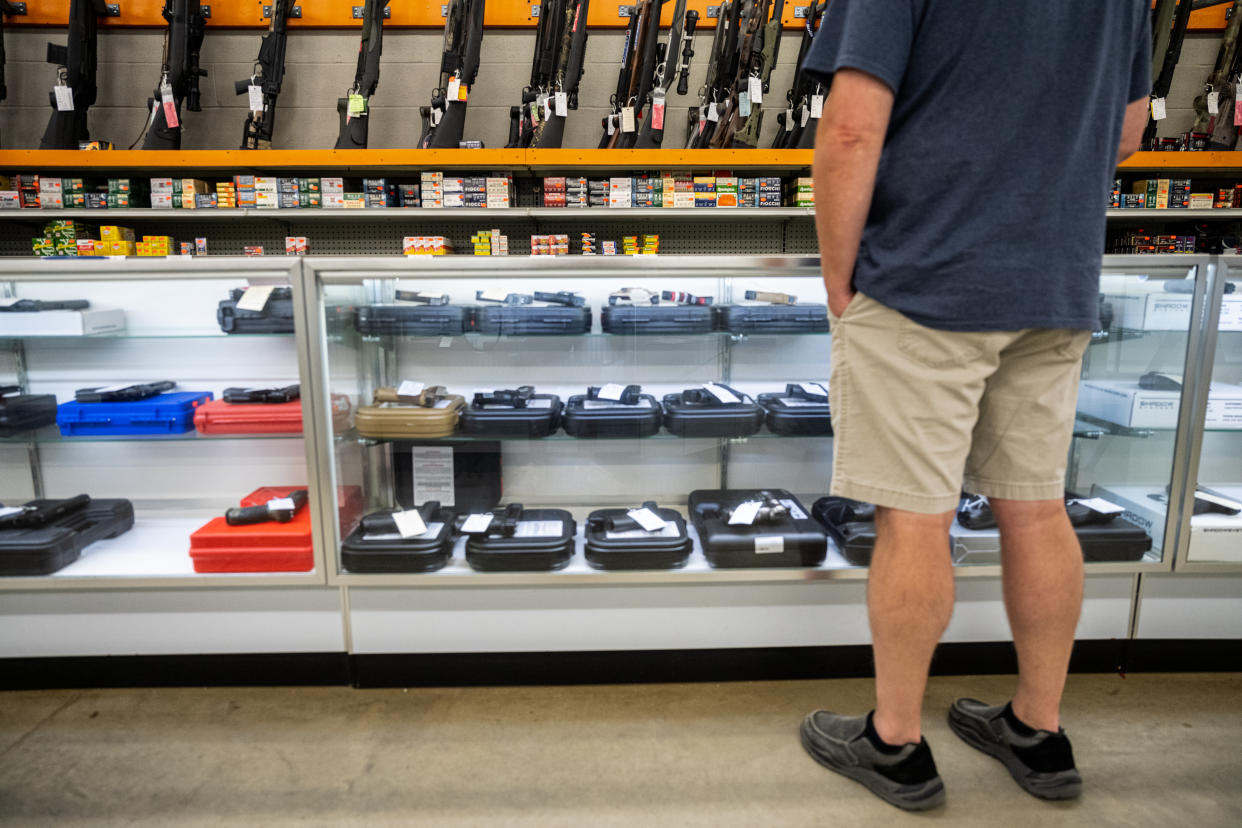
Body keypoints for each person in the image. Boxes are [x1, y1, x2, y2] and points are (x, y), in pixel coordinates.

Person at [796, 0, 1152, 812]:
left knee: (915, 518)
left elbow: (851, 129)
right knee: (1035, 508)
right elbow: (1128, 131)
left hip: (926, 276)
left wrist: (839, 279)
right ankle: (1038, 727)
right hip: (1053, 280)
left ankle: (895, 744)